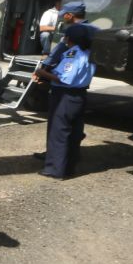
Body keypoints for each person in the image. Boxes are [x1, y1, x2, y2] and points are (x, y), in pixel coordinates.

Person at [33, 24, 96, 179]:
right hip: (80, 95)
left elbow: (65, 78)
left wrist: (42, 73)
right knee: (74, 133)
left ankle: (54, 169)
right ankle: (68, 167)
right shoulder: (89, 53)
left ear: (69, 38)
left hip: (64, 96)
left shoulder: (72, 54)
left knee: (58, 132)